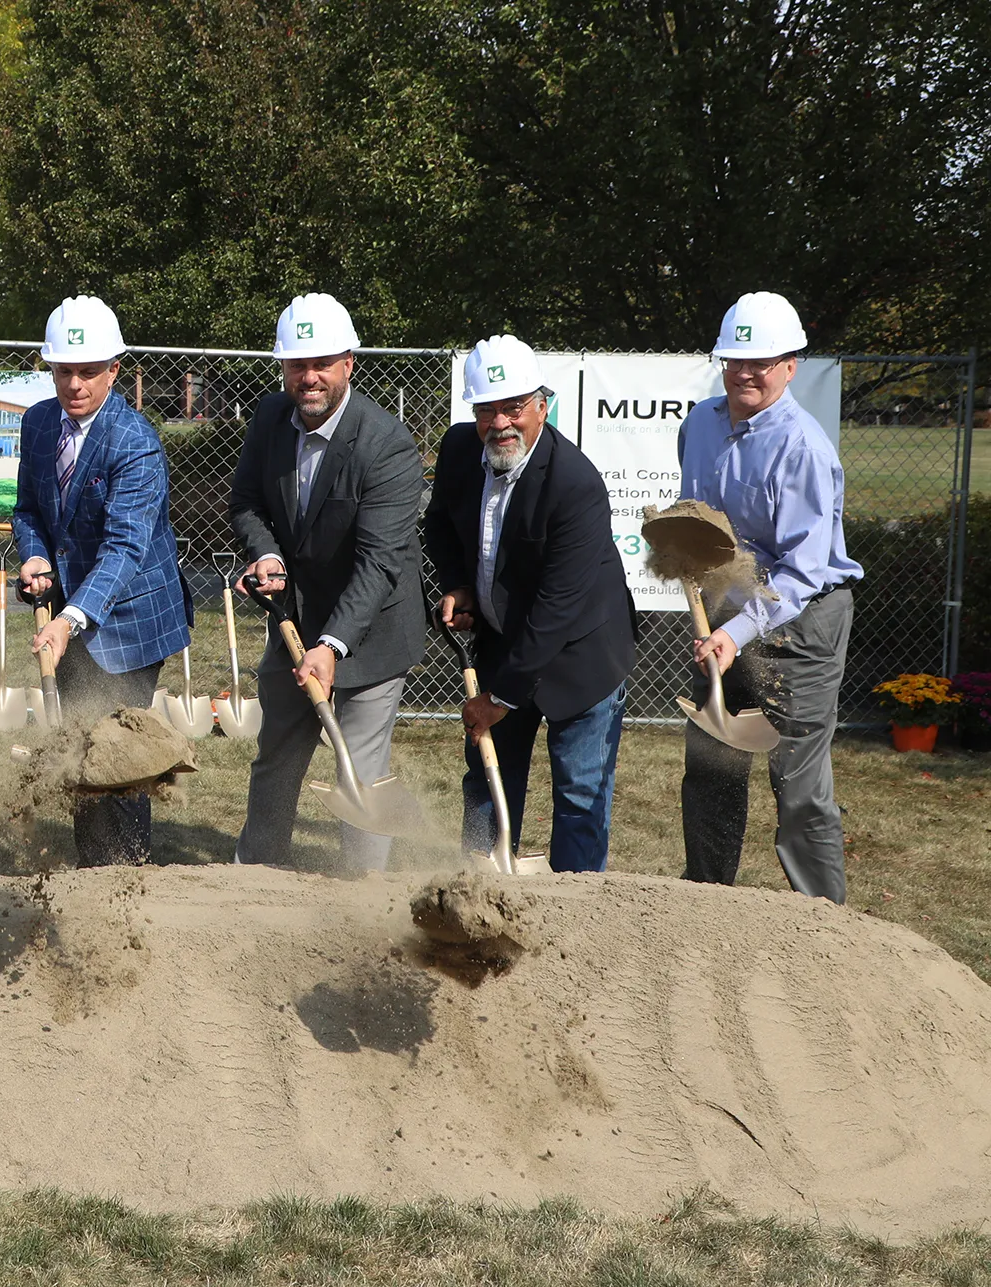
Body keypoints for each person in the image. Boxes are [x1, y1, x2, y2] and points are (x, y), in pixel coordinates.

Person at [226, 292, 426, 874]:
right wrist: (265, 554)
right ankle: (257, 873)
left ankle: (364, 898)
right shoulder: (268, 420)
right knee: (278, 755)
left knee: (358, 767)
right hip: (294, 617)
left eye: (322, 364)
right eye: (296, 364)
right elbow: (247, 503)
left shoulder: (385, 444)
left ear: (349, 365)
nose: (308, 377)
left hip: (371, 630)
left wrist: (332, 645)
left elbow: (380, 562)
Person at [675, 291, 863, 902]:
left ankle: (825, 928)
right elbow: (701, 521)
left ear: (791, 366)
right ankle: (707, 901)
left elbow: (803, 571)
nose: (746, 373)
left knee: (798, 786)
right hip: (727, 609)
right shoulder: (698, 425)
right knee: (710, 765)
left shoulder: (802, 448)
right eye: (735, 360)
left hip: (802, 622)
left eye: (763, 361)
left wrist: (735, 632)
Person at [422, 335, 636, 872]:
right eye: (487, 409)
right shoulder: (458, 451)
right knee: (488, 782)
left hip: (581, 653)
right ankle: (475, 900)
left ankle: (574, 921)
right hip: (506, 641)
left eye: (514, 406)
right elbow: (441, 525)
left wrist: (501, 697)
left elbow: (558, 607)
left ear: (543, 405)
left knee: (581, 794)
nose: (501, 423)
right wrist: (458, 585)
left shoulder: (574, 485)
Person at [13, 295, 188, 866]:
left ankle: (125, 877)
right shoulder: (38, 423)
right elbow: (29, 511)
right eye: (65, 370)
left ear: (115, 369)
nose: (76, 384)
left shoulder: (134, 440)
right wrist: (36, 557)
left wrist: (69, 617)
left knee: (116, 752)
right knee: (83, 744)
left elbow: (125, 547)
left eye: (90, 371)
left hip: (133, 615)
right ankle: (95, 868)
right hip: (70, 607)